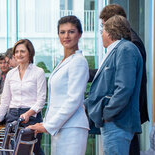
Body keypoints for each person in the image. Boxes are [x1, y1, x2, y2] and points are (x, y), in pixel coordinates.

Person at [27, 16, 89, 155]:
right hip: (61, 127)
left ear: (79, 34)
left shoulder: (79, 61)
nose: (66, 36)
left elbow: (73, 99)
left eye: (71, 32)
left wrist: (48, 125)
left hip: (72, 128)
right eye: (62, 32)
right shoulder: (64, 61)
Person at [84, 15, 143, 155]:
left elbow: (124, 88)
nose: (101, 35)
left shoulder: (125, 49)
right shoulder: (117, 50)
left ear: (110, 32)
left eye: (102, 31)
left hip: (117, 122)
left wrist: (107, 114)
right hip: (113, 122)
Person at [98, 4, 148, 155]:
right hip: (122, 114)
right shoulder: (127, 43)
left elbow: (125, 86)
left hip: (122, 115)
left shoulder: (129, 45)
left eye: (103, 27)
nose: (102, 32)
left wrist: (107, 113)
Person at [0, 39, 46, 155]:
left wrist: (28, 114)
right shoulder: (11, 74)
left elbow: (41, 100)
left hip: (31, 117)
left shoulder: (38, 72)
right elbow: (5, 100)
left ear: (30, 53)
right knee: (12, 150)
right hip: (12, 116)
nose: (19, 54)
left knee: (31, 150)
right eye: (16, 52)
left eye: (22, 51)